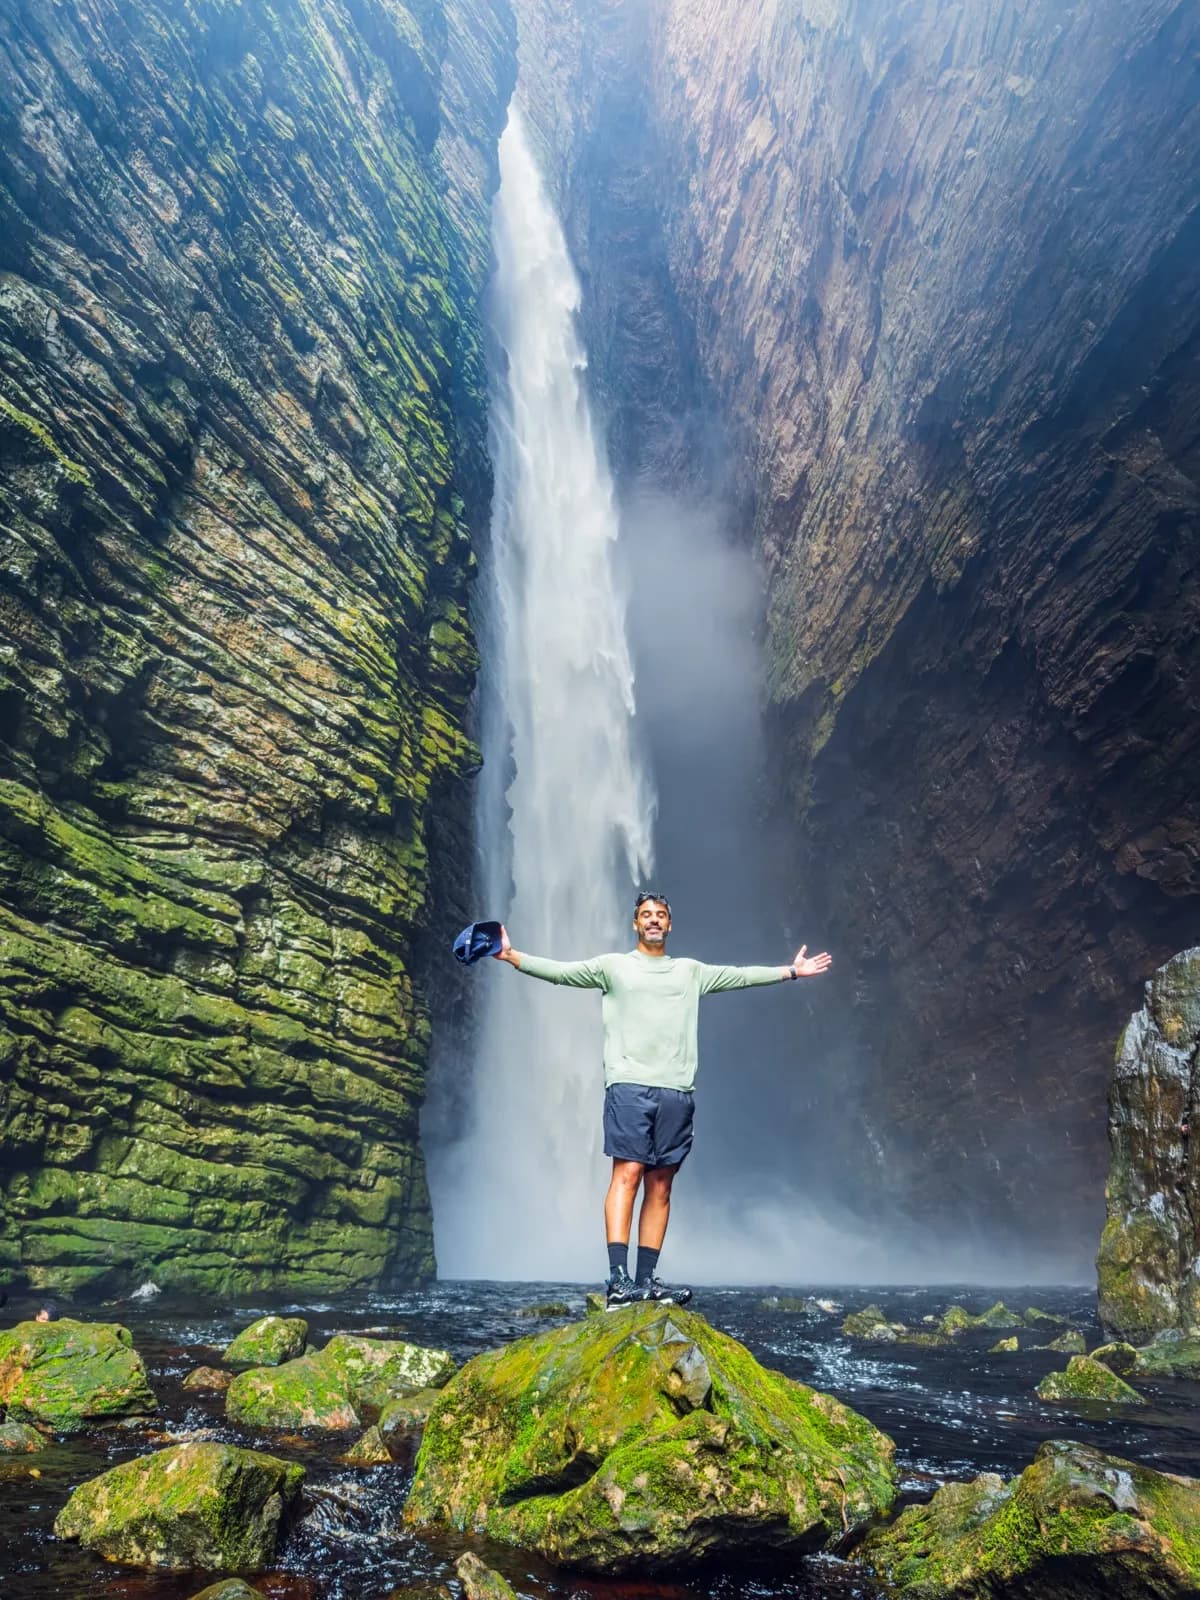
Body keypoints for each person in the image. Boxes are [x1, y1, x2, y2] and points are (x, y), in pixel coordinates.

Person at [493, 891, 832, 1307]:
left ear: (670, 925)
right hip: (629, 1086)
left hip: (677, 1090)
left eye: (660, 915)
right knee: (628, 1172)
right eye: (646, 915)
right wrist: (513, 956)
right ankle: (618, 1281)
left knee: (661, 1184)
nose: (653, 920)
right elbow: (563, 973)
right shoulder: (611, 967)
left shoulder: (691, 972)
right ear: (635, 924)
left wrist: (791, 972)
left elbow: (741, 976)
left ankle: (646, 1280)